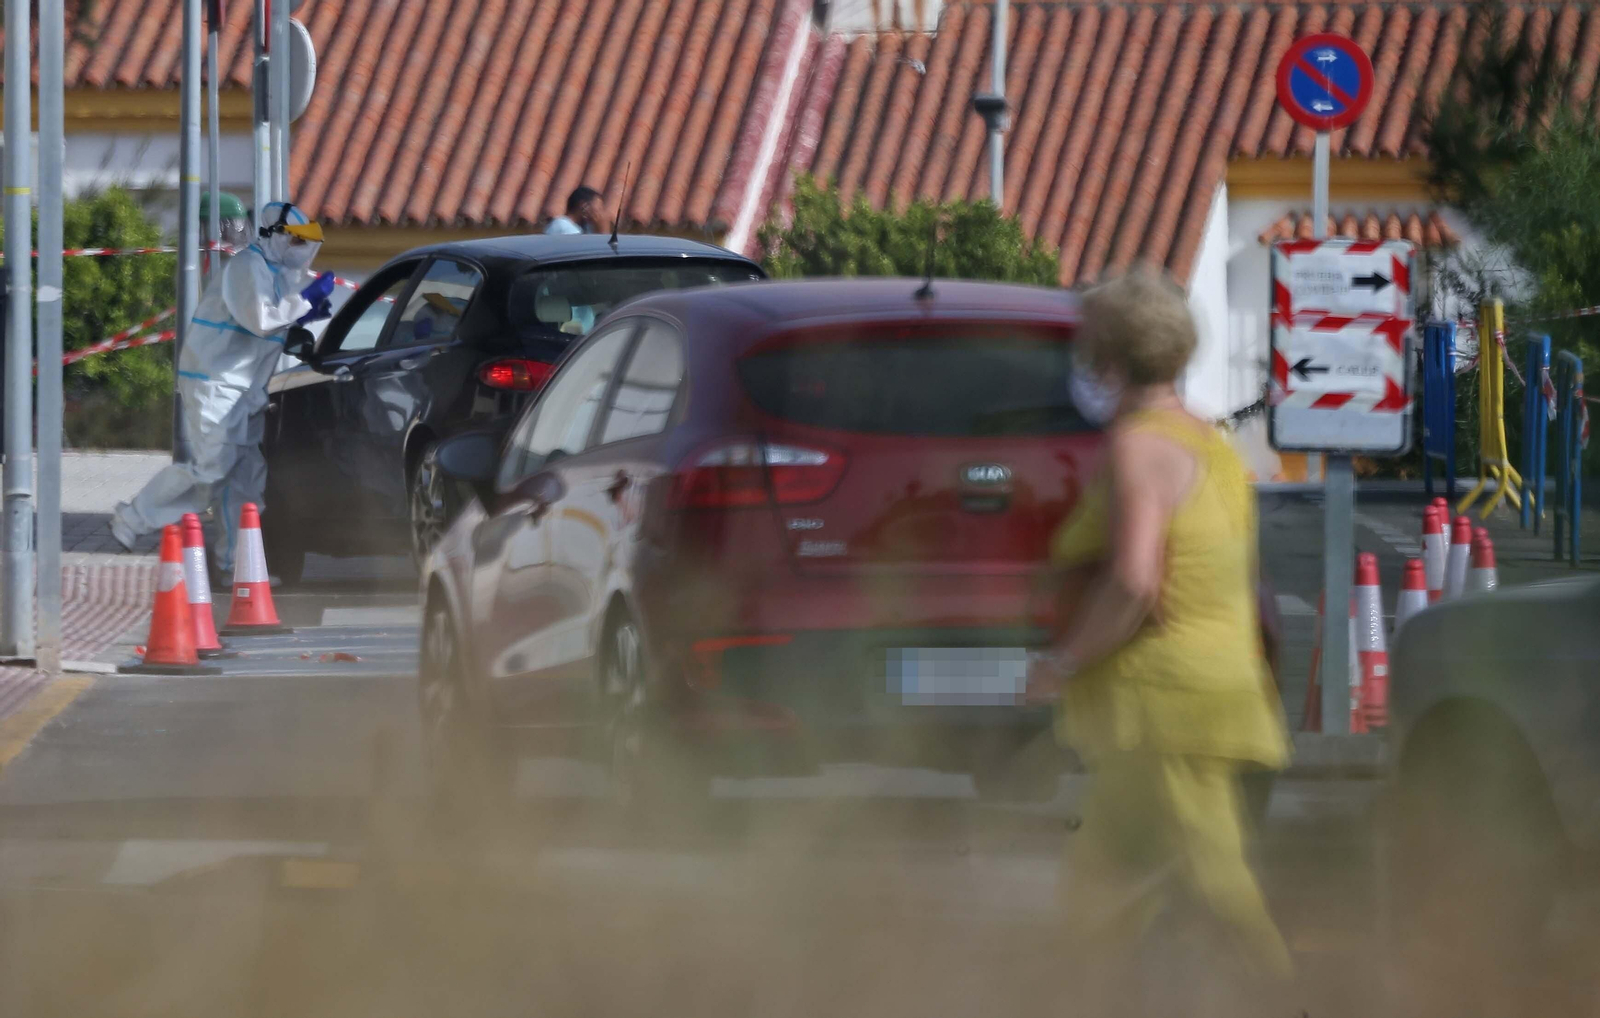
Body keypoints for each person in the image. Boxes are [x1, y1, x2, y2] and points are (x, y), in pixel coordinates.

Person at [1025, 269, 1293, 1015]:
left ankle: (1292, 1001)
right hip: (1202, 694)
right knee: (1094, 899)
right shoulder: (1211, 440)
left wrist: (1060, 662)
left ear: (1105, 357)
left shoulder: (1138, 448)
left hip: (1168, 712)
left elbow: (1135, 582)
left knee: (1219, 888)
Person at [111, 201, 333, 577]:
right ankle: (133, 518)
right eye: (297, 241)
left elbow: (270, 326)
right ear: (276, 237)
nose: (303, 250)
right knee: (213, 469)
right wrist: (305, 302)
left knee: (244, 480)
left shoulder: (277, 274)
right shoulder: (249, 267)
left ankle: (237, 567)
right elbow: (261, 318)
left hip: (244, 390)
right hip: (216, 383)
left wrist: (304, 312)